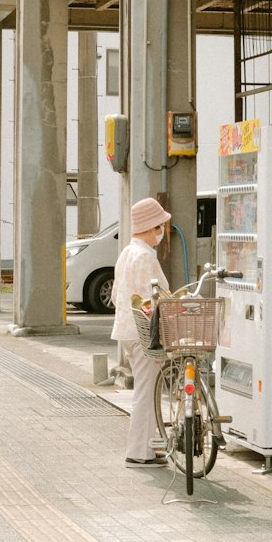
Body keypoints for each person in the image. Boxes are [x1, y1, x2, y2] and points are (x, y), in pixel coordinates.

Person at [110, 197, 171, 466]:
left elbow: (116, 294)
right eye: (160, 226)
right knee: (146, 393)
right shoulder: (145, 256)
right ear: (150, 227)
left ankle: (149, 446)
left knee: (147, 390)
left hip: (127, 330)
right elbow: (152, 298)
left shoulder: (127, 252)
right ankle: (138, 452)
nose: (163, 231)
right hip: (145, 333)